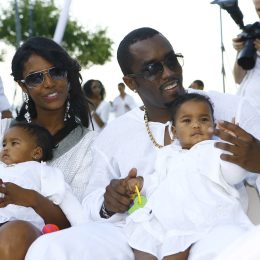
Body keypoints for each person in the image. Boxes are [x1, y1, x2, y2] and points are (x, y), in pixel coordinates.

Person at [25, 27, 260, 260]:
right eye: (152, 69)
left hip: (211, 228)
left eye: (171, 61)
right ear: (130, 82)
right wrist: (108, 202)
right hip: (135, 232)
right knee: (50, 248)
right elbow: (90, 204)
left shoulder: (232, 109)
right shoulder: (114, 135)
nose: (168, 73)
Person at [0, 36, 96, 260]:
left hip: (45, 245)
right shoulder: (4, 130)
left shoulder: (89, 145)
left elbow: (77, 222)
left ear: (67, 75)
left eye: (56, 72)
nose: (49, 83)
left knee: (15, 234)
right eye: (35, 78)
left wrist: (30, 198)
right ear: (23, 86)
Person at [125, 93, 252, 260]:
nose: (196, 125)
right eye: (187, 121)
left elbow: (233, 175)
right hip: (167, 214)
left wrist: (233, 148)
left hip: (203, 211)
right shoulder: (167, 154)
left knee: (176, 248)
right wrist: (141, 183)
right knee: (144, 242)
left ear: (214, 126)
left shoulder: (215, 149)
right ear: (175, 131)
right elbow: (158, 180)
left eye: (204, 119)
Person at [0, 122, 85, 230]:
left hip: (20, 226)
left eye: (14, 143)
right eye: (4, 144)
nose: (6, 148)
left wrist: (82, 227)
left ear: (36, 153)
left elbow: (68, 202)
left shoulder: (42, 171)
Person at [233, 0, 260, 112]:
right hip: (244, 110)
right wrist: (240, 51)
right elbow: (238, 79)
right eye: (258, 10)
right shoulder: (254, 31)